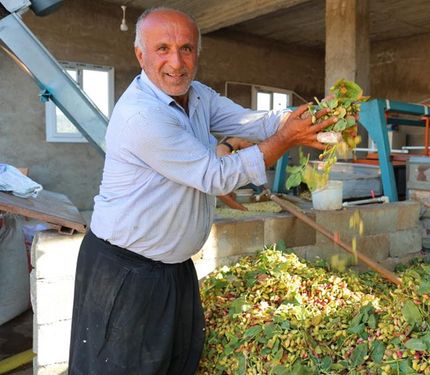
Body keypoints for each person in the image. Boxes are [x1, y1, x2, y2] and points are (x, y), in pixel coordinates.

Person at [67, 7, 336, 375]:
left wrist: (296, 118)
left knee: (177, 360)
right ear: (140, 54)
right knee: (123, 367)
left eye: (186, 49)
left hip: (172, 269)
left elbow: (249, 121)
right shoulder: (142, 116)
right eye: (162, 48)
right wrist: (286, 140)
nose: (176, 63)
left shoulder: (198, 97)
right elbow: (216, 176)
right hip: (127, 272)